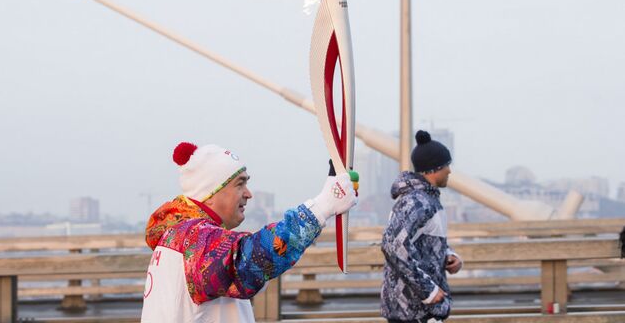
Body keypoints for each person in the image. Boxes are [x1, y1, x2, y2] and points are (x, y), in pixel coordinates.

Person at [141, 141, 357, 322]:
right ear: (211, 193)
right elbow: (251, 258)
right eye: (239, 184)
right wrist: (321, 207)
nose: (248, 193)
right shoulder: (192, 239)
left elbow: (236, 276)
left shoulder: (179, 237)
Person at [380, 130, 463, 323]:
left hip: (422, 309)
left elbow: (424, 243)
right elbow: (392, 246)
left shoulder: (428, 200)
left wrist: (449, 256)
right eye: (447, 166)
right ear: (435, 169)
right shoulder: (416, 202)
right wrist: (429, 290)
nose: (449, 171)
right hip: (411, 310)